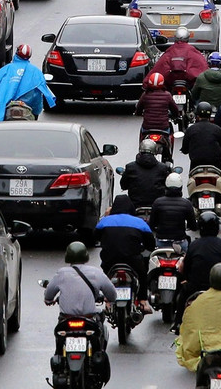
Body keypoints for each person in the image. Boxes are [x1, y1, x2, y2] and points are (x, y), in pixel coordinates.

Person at [44, 241, 117, 378]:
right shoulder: (96, 273)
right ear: (86, 256)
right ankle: (96, 359)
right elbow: (111, 293)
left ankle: (59, 359)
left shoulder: (61, 273)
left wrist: (49, 301)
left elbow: (49, 294)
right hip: (89, 319)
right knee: (100, 331)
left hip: (66, 320)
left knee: (59, 342)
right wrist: (109, 300)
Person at [96, 195, 156, 310]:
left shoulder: (104, 221)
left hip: (110, 260)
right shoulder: (140, 222)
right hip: (133, 261)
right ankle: (143, 301)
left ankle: (107, 300)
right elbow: (150, 245)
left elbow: (96, 237)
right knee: (143, 274)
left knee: (106, 275)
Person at [179, 211, 221, 309]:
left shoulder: (194, 245)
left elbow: (182, 269)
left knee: (182, 295)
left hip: (195, 288)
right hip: (220, 288)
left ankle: (177, 323)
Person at [0, 44, 56, 120]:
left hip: (8, 106)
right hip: (29, 108)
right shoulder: (36, 72)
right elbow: (44, 92)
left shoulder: (6, 69)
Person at [151, 172, 198, 247]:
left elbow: (152, 224)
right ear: (181, 187)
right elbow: (193, 226)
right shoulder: (186, 203)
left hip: (160, 242)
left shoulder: (157, 202)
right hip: (180, 243)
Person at [121, 138, 170, 207]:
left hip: (135, 205)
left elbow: (123, 185)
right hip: (157, 205)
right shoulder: (162, 168)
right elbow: (167, 186)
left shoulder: (130, 167)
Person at [182, 101, 221, 169]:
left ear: (197, 115)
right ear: (210, 115)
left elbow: (184, 150)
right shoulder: (217, 129)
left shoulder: (191, 129)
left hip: (196, 166)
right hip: (215, 166)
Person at [136, 72, 179, 142]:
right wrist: (176, 115)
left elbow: (139, 108)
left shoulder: (145, 95)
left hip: (147, 127)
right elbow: (174, 109)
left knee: (142, 133)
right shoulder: (167, 95)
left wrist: (138, 113)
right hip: (163, 127)